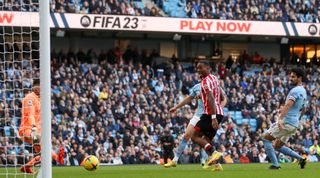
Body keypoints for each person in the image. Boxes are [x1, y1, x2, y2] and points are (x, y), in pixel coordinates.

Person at [164, 82, 227, 169]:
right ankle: (175, 160)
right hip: (198, 115)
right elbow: (188, 98)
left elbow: (224, 99)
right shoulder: (196, 87)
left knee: (204, 140)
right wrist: (176, 107)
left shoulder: (214, 86)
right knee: (187, 135)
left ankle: (215, 163)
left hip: (208, 115)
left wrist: (219, 108)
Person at [263, 68, 307, 170]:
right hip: (294, 124)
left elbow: (287, 105)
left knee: (265, 138)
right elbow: (304, 109)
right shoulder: (303, 91)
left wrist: (280, 119)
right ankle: (301, 159)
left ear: (299, 78)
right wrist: (298, 119)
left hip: (287, 123)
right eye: (290, 76)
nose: (290, 78)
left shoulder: (295, 90)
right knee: (277, 146)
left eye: (293, 77)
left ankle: (275, 165)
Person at [19, 79, 65, 173]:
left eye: (40, 87)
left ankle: (27, 166)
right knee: (45, 148)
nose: (39, 89)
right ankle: (57, 158)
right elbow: (30, 115)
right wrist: (34, 128)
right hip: (29, 129)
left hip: (38, 130)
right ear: (33, 87)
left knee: (43, 153)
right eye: (36, 87)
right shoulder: (30, 98)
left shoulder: (41, 99)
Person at [191, 61, 225, 171]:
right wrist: (201, 96)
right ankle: (217, 165)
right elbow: (217, 95)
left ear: (207, 68)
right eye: (197, 68)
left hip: (210, 114)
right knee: (206, 140)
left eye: (201, 68)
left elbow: (211, 98)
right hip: (219, 112)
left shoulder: (205, 82)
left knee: (194, 136)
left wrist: (213, 117)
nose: (198, 70)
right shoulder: (214, 78)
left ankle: (214, 153)